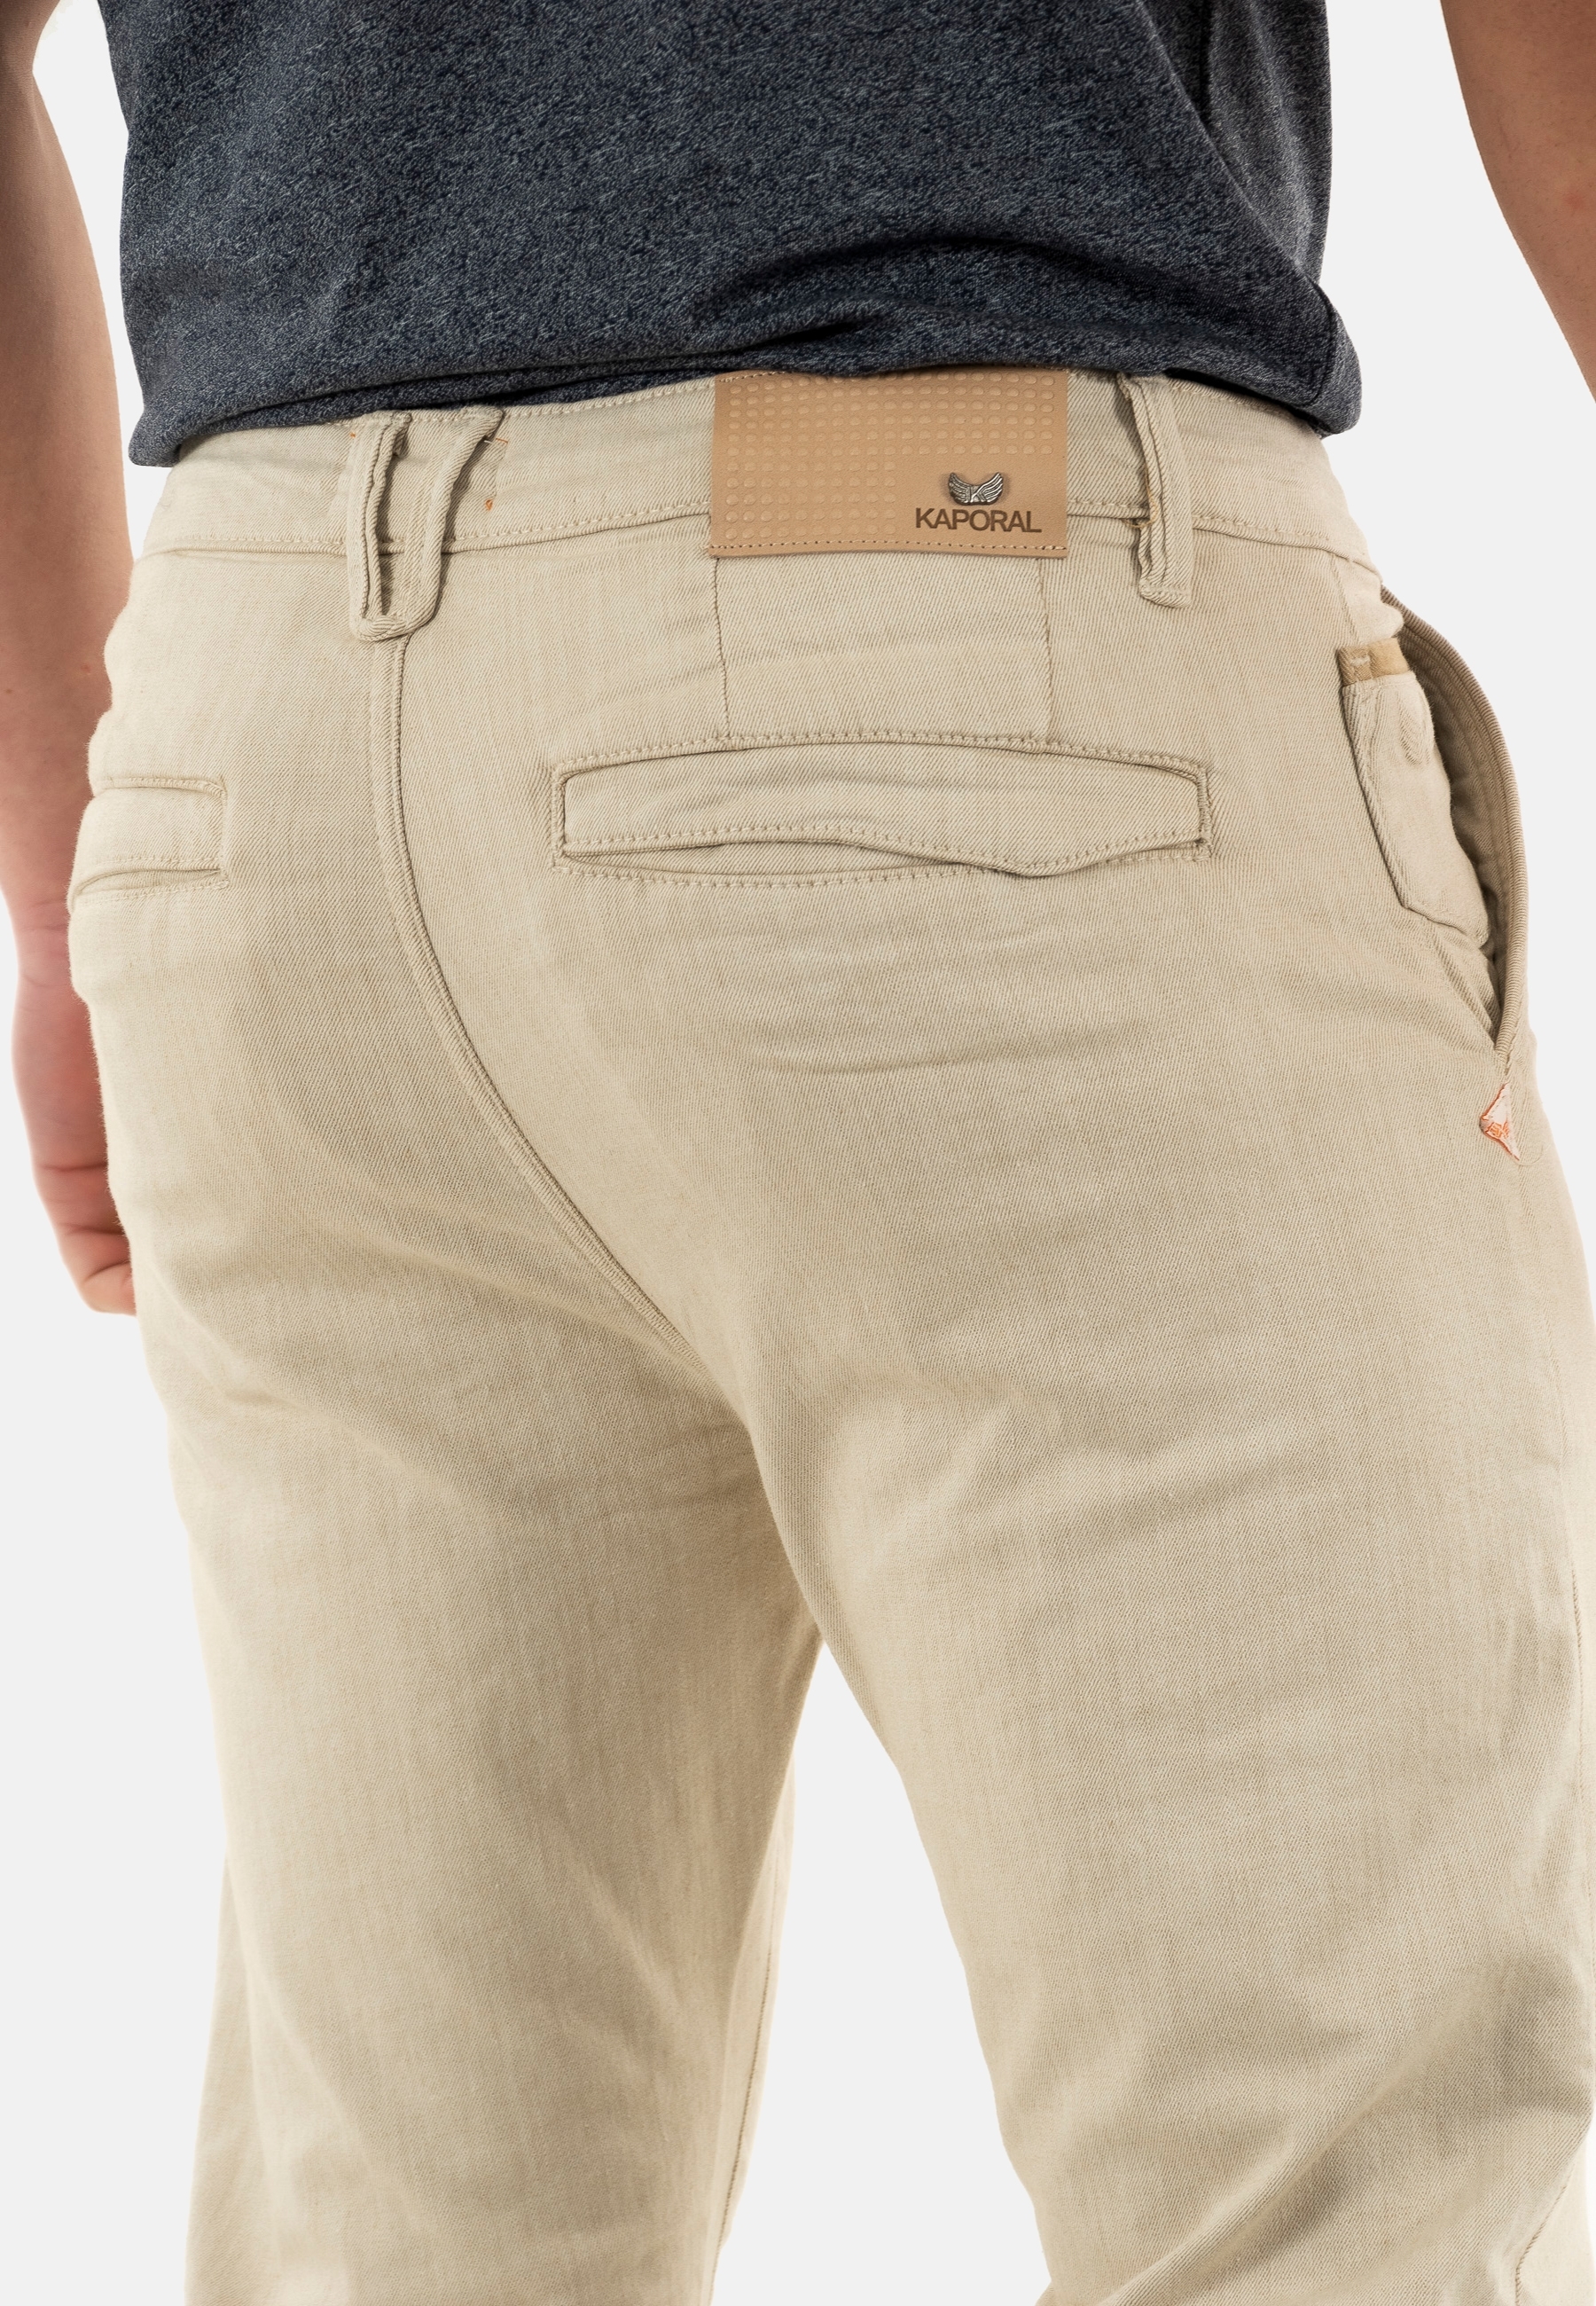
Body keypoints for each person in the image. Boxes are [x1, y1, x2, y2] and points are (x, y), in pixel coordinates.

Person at [4, 2, 1595, 2299]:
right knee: (1328, 2214)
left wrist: (67, 859)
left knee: (417, 2244)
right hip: (979, 621)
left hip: (264, 757)